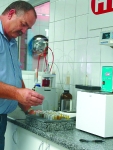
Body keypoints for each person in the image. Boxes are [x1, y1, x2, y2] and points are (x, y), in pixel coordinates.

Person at [0, 1, 44, 149]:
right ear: (11, 13)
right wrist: (18, 93)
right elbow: (16, 90)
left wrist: (27, 107)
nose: (24, 31)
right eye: (23, 24)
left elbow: (15, 78)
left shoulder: (11, 42)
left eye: (28, 28)